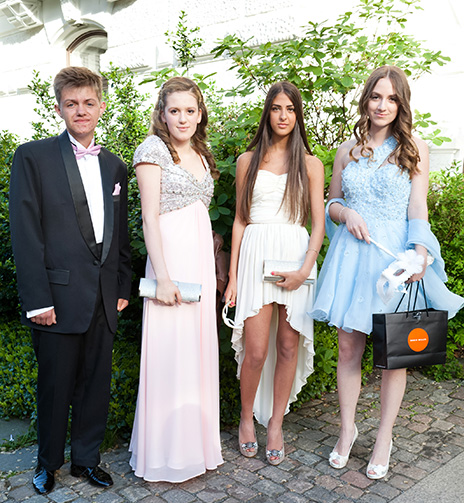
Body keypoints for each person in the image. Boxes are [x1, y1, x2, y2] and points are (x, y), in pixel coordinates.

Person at [311, 65, 464, 479]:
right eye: (376, 97)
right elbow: (331, 203)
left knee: (394, 354)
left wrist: (419, 254)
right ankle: (347, 429)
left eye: (392, 98)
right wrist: (346, 213)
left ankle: (384, 437)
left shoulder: (414, 148)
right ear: (366, 100)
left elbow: (418, 207)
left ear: (401, 104)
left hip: (393, 259)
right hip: (352, 257)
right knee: (348, 348)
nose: (382, 105)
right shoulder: (347, 150)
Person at [9, 66, 132, 494]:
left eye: (89, 103)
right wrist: (37, 299)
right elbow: (25, 233)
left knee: (95, 385)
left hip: (104, 297)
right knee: (55, 386)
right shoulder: (32, 157)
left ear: (101, 107)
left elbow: (120, 235)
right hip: (56, 298)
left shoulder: (115, 166)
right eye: (72, 103)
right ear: (59, 108)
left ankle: (86, 460)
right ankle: (48, 463)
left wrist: (122, 287)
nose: (81, 110)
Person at [224, 81, 325, 465]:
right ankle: (246, 418)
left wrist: (305, 269)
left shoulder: (311, 164)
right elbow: (240, 220)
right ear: (267, 113)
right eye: (277, 108)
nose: (283, 116)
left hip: (295, 255)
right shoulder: (247, 161)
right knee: (255, 350)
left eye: (291, 109)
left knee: (287, 346)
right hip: (255, 256)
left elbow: (318, 224)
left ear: (298, 115)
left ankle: (277, 425)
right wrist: (234, 277)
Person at [129, 76, 223, 482]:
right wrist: (163, 278)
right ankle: (164, 453)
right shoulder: (152, 150)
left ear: (200, 115)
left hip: (199, 263)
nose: (182, 118)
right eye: (174, 110)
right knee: (171, 354)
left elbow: (198, 213)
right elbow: (150, 218)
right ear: (162, 114)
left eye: (190, 110)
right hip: (170, 265)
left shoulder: (200, 152)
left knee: (195, 351)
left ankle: (194, 447)